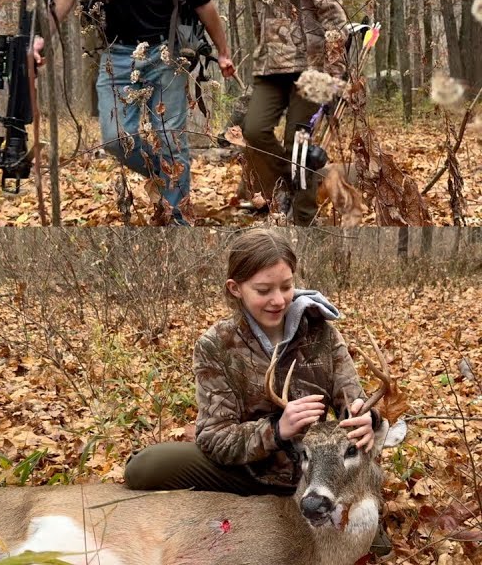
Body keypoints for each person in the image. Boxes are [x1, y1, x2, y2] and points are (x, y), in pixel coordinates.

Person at [123, 228, 390, 553]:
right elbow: (213, 437)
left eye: (286, 286)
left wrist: (364, 419)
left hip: (319, 469)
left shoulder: (321, 333)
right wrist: (276, 431)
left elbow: (353, 400)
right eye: (263, 290)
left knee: (371, 528)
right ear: (236, 289)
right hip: (249, 470)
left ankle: (342, 512)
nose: (278, 300)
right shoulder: (216, 346)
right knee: (146, 467)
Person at [32, 0, 235, 226]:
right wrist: (39, 38)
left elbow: (205, 5)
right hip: (116, 56)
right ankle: (168, 178)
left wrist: (223, 51)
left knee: (171, 139)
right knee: (115, 140)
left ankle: (177, 218)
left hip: (167, 56)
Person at [232, 0, 349, 226]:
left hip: (311, 66)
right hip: (271, 66)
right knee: (254, 130)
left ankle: (302, 222)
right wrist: (259, 52)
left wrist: (337, 68)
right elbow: (260, 17)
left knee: (299, 147)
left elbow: (330, 4)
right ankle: (285, 190)